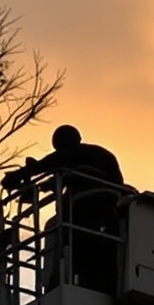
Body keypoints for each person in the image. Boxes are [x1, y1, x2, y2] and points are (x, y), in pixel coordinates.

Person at [44, 124, 123, 293]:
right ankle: (60, 276)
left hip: (98, 212)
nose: (61, 153)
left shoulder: (90, 155)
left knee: (70, 233)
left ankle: (59, 278)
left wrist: (28, 171)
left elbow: (57, 162)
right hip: (92, 220)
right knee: (62, 228)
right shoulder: (81, 163)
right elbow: (62, 172)